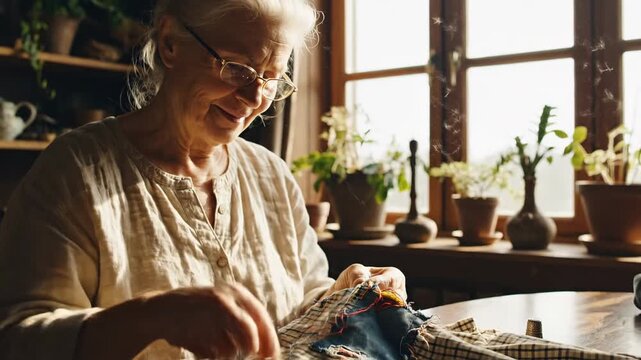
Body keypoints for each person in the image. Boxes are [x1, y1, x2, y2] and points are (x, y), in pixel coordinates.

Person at [0, 0, 407, 359]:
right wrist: (153, 316)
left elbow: (300, 308)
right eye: (238, 69)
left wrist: (347, 290)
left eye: (270, 77)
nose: (254, 98)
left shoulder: (272, 176)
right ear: (171, 43)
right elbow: (20, 340)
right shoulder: (77, 172)